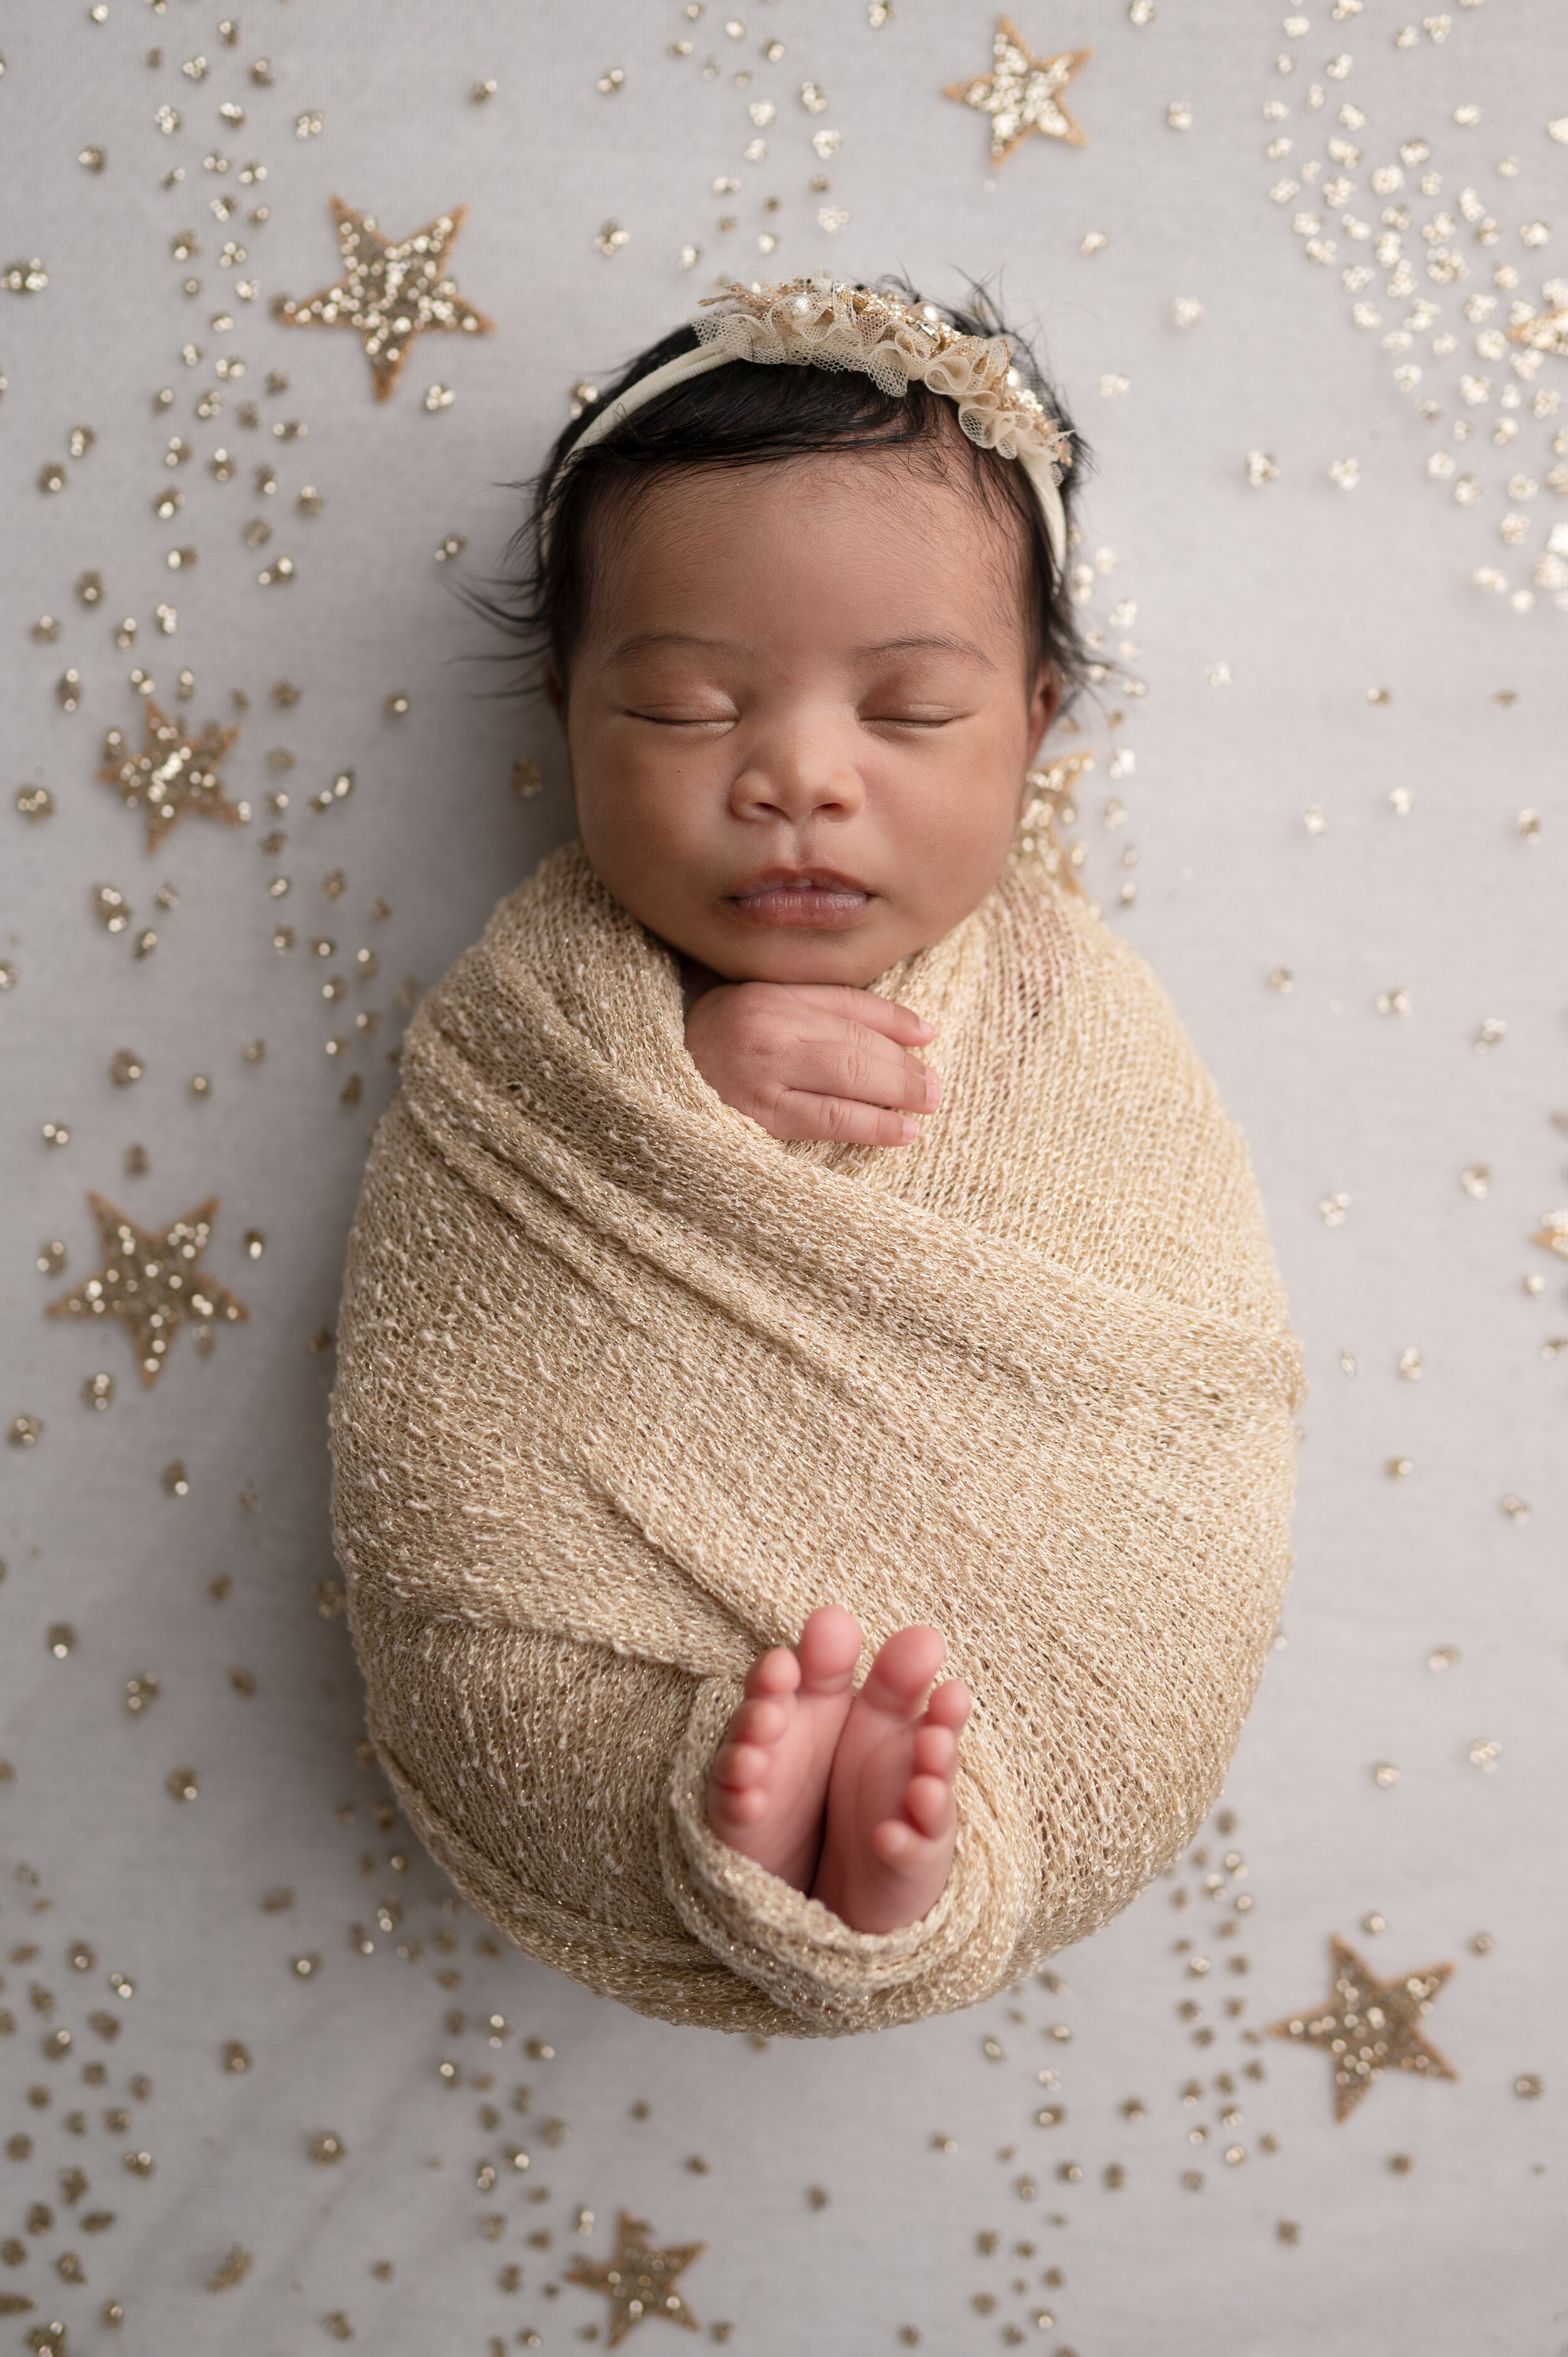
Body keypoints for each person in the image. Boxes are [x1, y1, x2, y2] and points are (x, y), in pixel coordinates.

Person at [329, 278, 1301, 2035]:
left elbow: (1167, 1359)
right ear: (562, 712)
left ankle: (890, 1856)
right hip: (599, 1623)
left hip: (1029, 1637)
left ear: (1038, 715)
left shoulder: (1075, 1015)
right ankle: (740, 1824)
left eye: (908, 713)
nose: (794, 776)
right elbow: (460, 1379)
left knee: (1125, 1567)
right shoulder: (539, 1025)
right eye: (690, 707)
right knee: (499, 1654)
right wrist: (664, 1087)